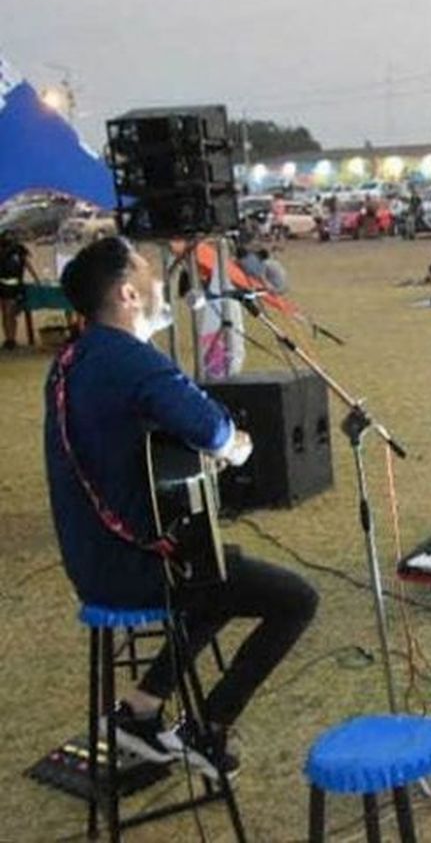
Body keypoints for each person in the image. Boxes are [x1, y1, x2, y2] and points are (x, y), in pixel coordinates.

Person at [45, 237, 318, 776]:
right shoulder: (132, 361)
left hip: (93, 559)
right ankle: (208, 728)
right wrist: (236, 447)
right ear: (127, 293)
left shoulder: (73, 358)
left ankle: (142, 710)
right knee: (295, 599)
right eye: (147, 273)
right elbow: (213, 428)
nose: (159, 282)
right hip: (137, 565)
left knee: (217, 567)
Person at [1, 229, 41, 349]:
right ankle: (10, 339)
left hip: (12, 286)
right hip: (9, 286)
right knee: (8, 314)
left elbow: (27, 264)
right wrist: (36, 279)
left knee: (9, 313)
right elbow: (28, 265)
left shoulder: (18, 250)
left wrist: (36, 279)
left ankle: (10, 339)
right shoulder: (18, 250)